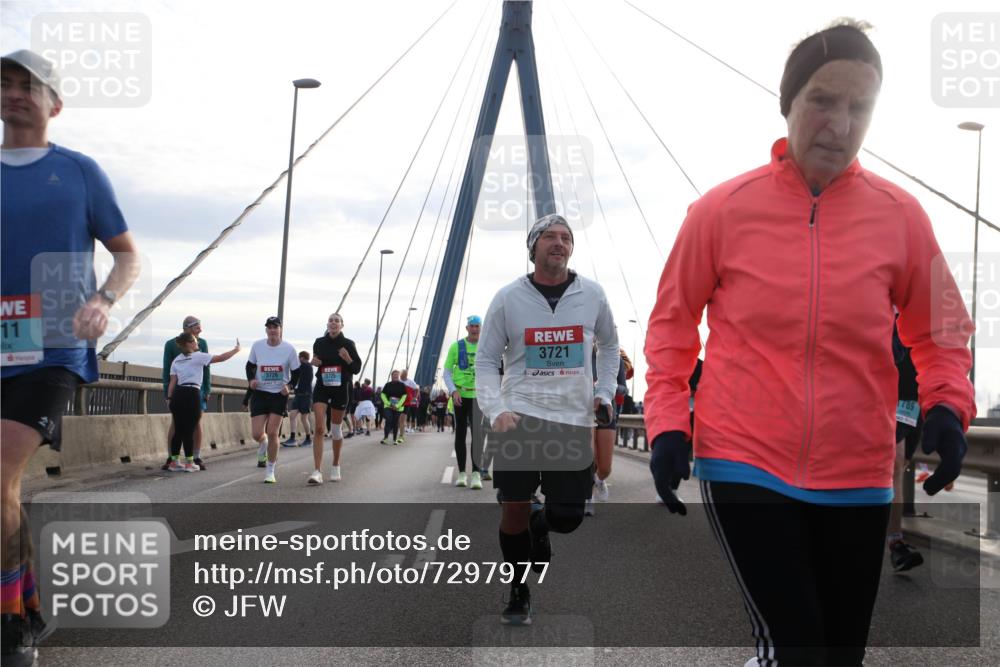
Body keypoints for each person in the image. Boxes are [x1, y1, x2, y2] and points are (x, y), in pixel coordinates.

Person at [643, 21, 975, 666]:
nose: (840, 124)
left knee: (839, 654)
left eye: (861, 107)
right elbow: (672, 326)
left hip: (858, 468)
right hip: (744, 458)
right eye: (824, 99)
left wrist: (947, 406)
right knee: (797, 649)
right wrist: (665, 425)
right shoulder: (720, 211)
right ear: (788, 102)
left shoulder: (901, 216)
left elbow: (940, 329)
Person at [1, 49, 141, 665]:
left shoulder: (80, 172)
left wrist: (105, 299)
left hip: (52, 348)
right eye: (4, 83)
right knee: (4, 490)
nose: (12, 94)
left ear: (54, 103)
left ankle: (8, 631)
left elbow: (127, 253)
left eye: (27, 86)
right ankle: (27, 605)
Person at [477, 213, 619, 625]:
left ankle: (543, 524)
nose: (559, 243)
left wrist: (604, 391)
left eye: (566, 238)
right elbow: (486, 360)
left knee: (568, 519)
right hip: (519, 417)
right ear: (533, 246)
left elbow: (610, 347)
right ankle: (518, 589)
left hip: (573, 420)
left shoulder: (592, 294)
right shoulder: (508, 297)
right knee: (513, 510)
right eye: (551, 237)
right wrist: (496, 409)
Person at [166, 335, 241, 470]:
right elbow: (221, 358)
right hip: (192, 393)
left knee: (178, 429)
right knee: (190, 429)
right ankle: (189, 463)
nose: (198, 343)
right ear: (189, 344)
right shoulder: (198, 356)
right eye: (195, 341)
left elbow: (172, 382)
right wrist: (236, 350)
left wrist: (169, 398)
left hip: (178, 394)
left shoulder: (176, 360)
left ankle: (174, 462)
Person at [887, 322, 925, 571]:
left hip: (910, 402)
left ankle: (894, 541)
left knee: (899, 466)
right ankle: (895, 541)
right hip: (877, 391)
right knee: (896, 462)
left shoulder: (924, 305)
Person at [308, 313, 361, 484]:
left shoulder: (348, 344)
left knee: (336, 430)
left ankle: (336, 465)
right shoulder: (319, 342)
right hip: (323, 387)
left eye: (336, 321)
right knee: (319, 428)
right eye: (331, 320)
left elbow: (356, 368)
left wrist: (347, 358)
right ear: (327, 324)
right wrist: (314, 362)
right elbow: (317, 361)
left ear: (341, 325)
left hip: (340, 388)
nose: (333, 323)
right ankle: (317, 471)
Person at [247, 316, 300, 484]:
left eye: (275, 327)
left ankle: (270, 470)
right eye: (269, 327)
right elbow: (250, 366)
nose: (272, 330)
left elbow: (297, 372)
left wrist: (289, 386)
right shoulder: (257, 346)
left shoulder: (289, 349)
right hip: (261, 393)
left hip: (278, 394)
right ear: (266, 330)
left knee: (272, 432)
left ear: (280, 329)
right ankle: (263, 444)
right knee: (257, 434)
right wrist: (251, 380)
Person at [162, 316, 211, 470]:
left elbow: (206, 368)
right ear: (188, 328)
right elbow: (167, 370)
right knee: (176, 424)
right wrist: (167, 394)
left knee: (196, 423)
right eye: (197, 328)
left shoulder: (202, 343)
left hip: (197, 389)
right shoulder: (171, 345)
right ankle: (172, 457)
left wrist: (207, 389)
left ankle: (196, 457)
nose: (200, 330)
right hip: (178, 390)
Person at [585, 345, 628, 516]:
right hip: (585, 411)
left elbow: (624, 388)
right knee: (589, 457)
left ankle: (599, 480)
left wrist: (608, 386)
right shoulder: (579, 356)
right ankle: (587, 496)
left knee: (605, 467)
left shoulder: (615, 359)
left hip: (606, 412)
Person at [444, 315, 483, 489]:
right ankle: (461, 473)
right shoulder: (456, 346)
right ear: (467, 328)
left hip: (479, 397)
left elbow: (495, 370)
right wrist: (453, 391)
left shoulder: (486, 346)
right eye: (472, 326)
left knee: (477, 435)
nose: (474, 329)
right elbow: (446, 372)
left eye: (477, 326)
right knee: (460, 433)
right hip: (461, 396)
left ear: (481, 328)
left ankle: (476, 473)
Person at [282, 351, 314, 448]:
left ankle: (308, 439)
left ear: (303, 358)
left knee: (304, 418)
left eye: (298, 358)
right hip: (298, 395)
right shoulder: (302, 366)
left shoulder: (306, 366)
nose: (297, 360)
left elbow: (295, 368)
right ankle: (292, 438)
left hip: (306, 396)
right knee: (292, 415)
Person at [379, 370, 408, 445]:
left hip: (398, 407)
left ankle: (395, 439)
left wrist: (397, 405)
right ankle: (385, 438)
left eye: (397, 375)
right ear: (391, 376)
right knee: (388, 420)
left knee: (396, 422)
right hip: (388, 406)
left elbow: (404, 396)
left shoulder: (402, 385)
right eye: (394, 375)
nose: (395, 376)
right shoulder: (387, 385)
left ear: (398, 376)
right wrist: (388, 404)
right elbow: (382, 395)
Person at [400, 368, 419, 436]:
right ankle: (400, 428)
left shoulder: (410, 382)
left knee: (404, 416)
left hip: (407, 402)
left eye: (404, 374)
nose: (402, 376)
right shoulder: (399, 381)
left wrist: (415, 397)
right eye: (401, 374)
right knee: (399, 417)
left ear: (406, 375)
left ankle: (403, 430)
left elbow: (417, 389)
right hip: (398, 401)